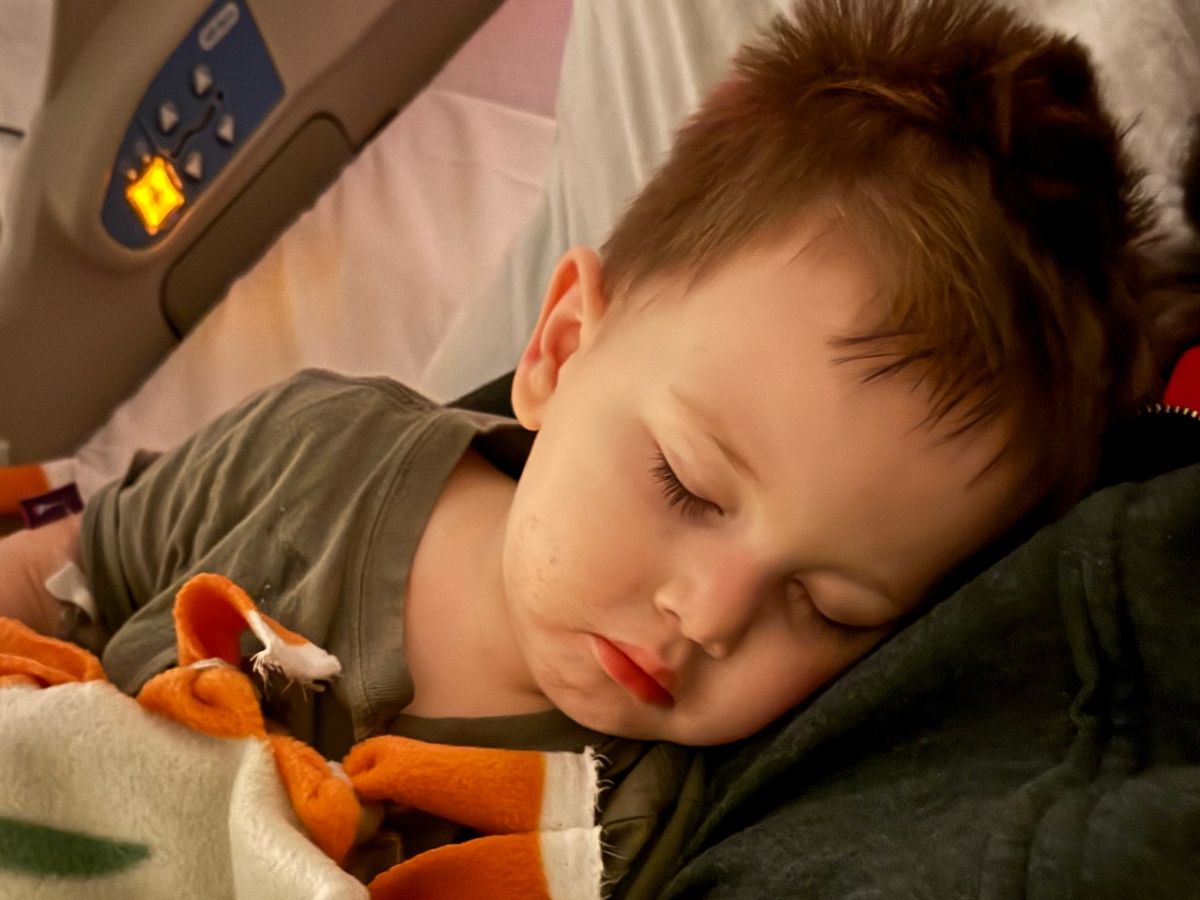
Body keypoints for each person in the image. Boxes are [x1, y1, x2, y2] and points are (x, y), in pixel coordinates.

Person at [0, 0, 1172, 893]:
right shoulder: (311, 452)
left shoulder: (649, 826)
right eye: (687, 485)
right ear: (560, 348)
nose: (708, 615)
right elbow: (70, 574)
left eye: (829, 607)